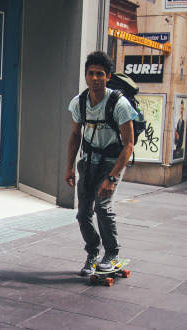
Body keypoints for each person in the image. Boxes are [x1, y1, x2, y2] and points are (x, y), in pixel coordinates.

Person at [65, 51, 138, 276]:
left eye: (100, 74)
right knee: (83, 213)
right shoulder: (79, 102)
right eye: (91, 73)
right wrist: (69, 167)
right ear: (85, 76)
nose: (94, 78)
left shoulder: (119, 104)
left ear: (107, 77)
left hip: (111, 163)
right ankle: (93, 253)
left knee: (103, 208)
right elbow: (75, 135)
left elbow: (129, 145)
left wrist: (113, 177)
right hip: (88, 162)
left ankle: (112, 253)